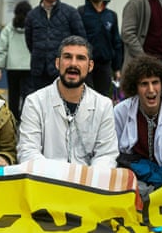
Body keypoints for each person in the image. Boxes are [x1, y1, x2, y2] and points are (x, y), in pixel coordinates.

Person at [17, 35, 118, 168]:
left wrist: (85, 179)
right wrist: (60, 177)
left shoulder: (103, 106)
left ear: (90, 66)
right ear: (58, 63)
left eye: (81, 58)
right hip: (46, 182)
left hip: (87, 185)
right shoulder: (35, 102)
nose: (73, 64)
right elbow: (27, 152)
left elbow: (106, 155)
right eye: (67, 57)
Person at [114, 55, 162, 201]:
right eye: (144, 84)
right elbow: (111, 152)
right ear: (135, 87)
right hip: (132, 180)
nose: (151, 90)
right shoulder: (120, 111)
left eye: (155, 82)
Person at [25, 0, 86, 92]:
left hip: (63, 69)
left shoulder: (71, 13)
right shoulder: (32, 15)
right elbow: (29, 43)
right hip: (39, 71)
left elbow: (81, 40)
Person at [78, 0, 122, 96]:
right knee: (86, 97)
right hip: (86, 64)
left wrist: (117, 68)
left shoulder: (111, 15)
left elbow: (116, 42)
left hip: (105, 66)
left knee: (102, 99)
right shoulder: (80, 12)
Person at [0, 0, 32, 122]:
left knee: (13, 95)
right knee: (28, 96)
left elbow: (2, 48)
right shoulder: (32, 27)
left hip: (12, 67)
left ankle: (13, 119)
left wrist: (0, 66)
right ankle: (26, 119)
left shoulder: (8, 28)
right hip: (29, 66)